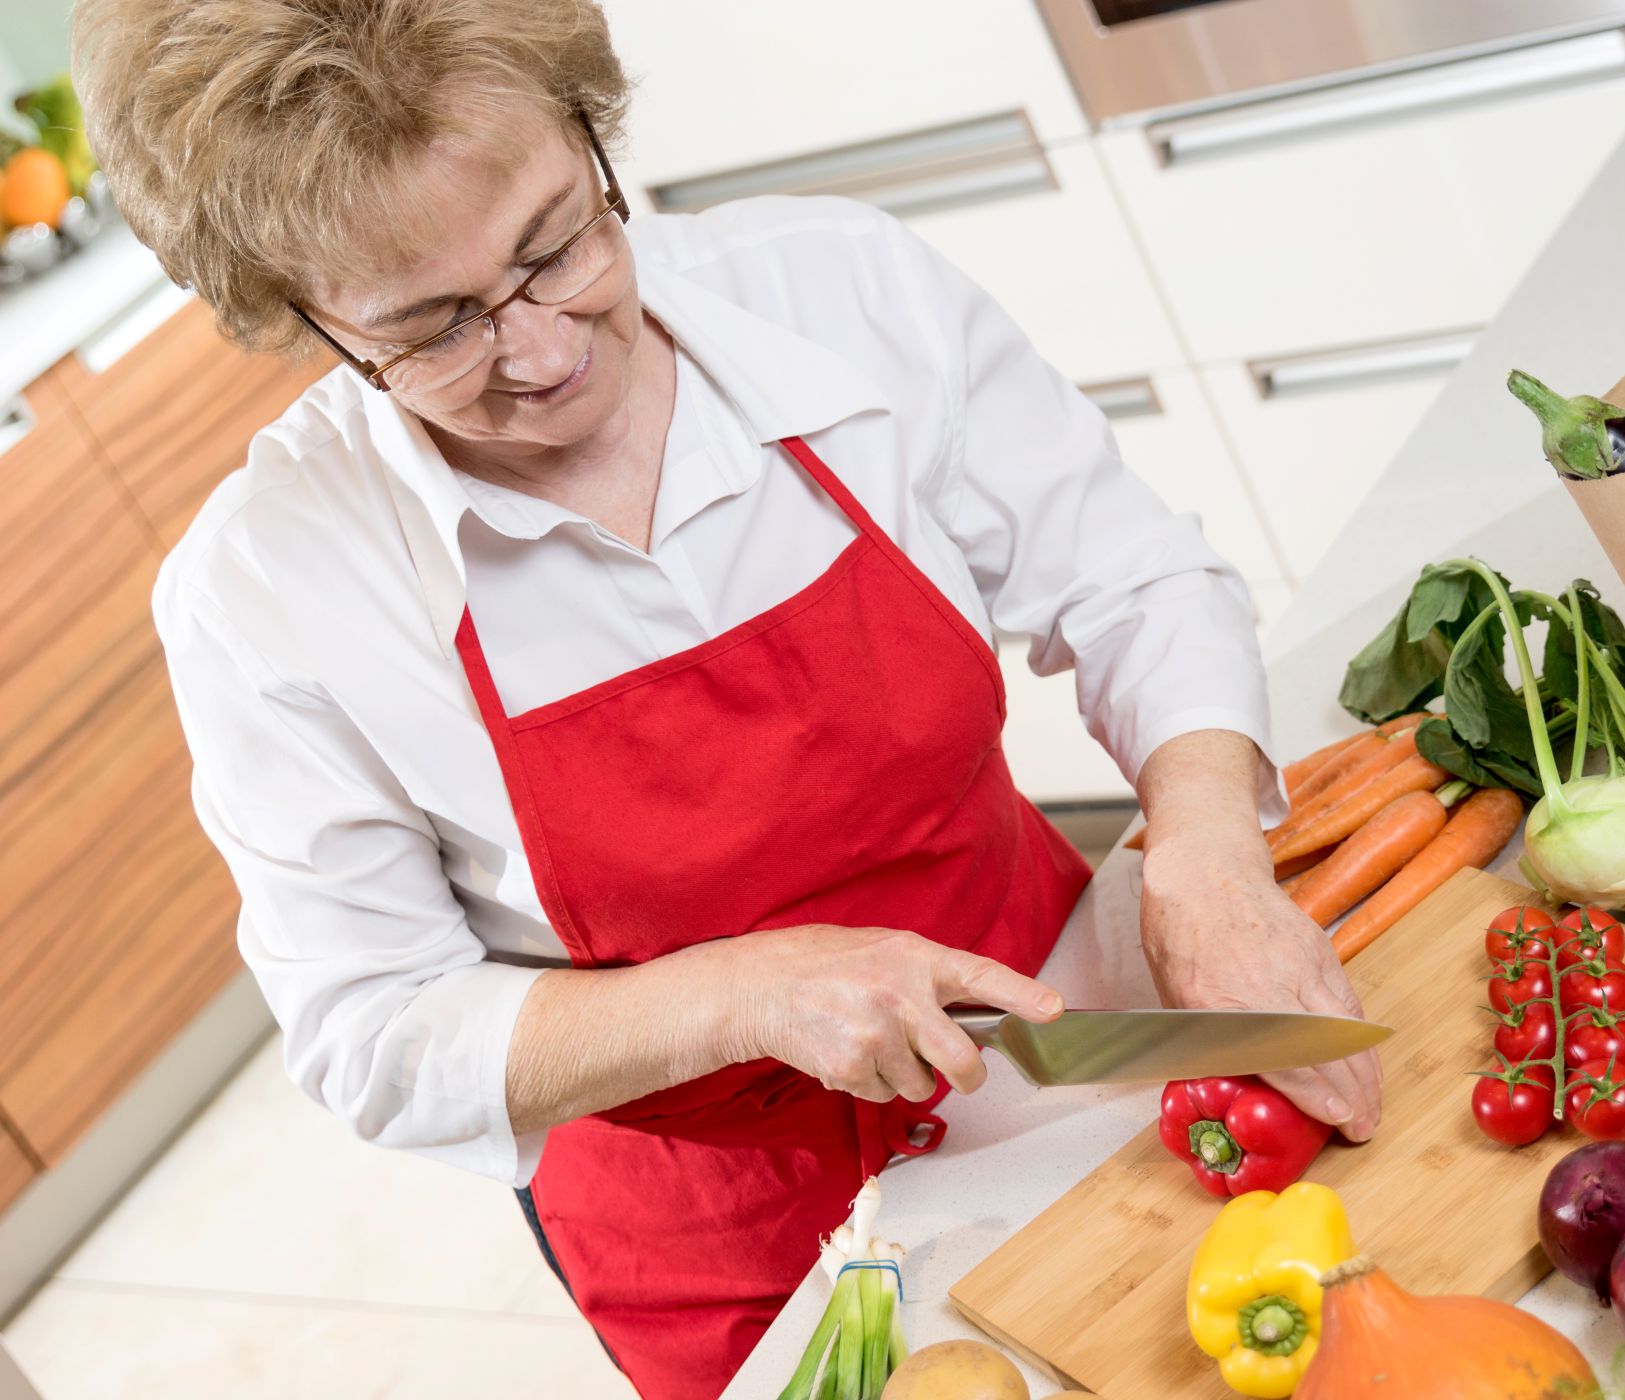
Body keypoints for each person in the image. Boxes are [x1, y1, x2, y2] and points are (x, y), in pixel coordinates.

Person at [72, 1, 1381, 1393]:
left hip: (1071, 1039)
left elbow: (1131, 581)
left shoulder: (832, 292)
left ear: (590, 127)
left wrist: (1205, 852)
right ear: (304, 320)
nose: (539, 351)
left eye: (556, 243)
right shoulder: (270, 587)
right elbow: (370, 1029)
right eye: (435, 327)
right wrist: (738, 995)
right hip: (724, 1240)